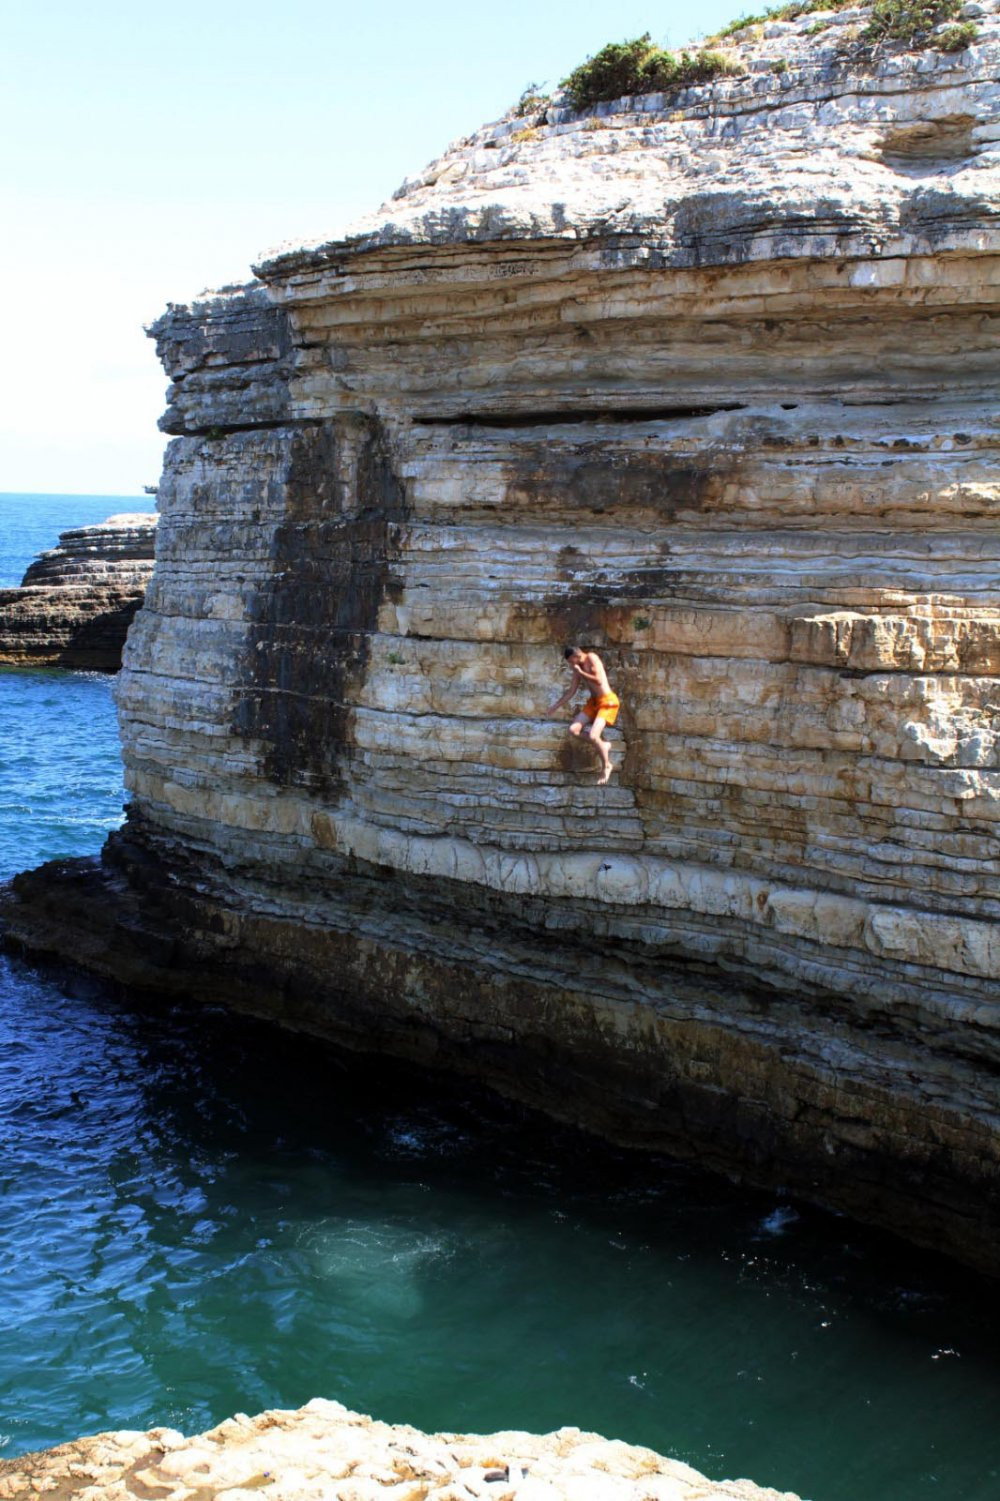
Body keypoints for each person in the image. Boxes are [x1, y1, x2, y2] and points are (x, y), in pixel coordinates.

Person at [547, 645, 620, 785]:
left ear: (575, 656)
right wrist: (555, 707)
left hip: (607, 701)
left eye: (570, 661)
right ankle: (601, 744)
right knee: (573, 730)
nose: (570, 665)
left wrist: (580, 671)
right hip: (593, 703)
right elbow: (571, 691)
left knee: (593, 735)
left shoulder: (591, 658)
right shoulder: (578, 668)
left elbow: (598, 680)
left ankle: (607, 765)